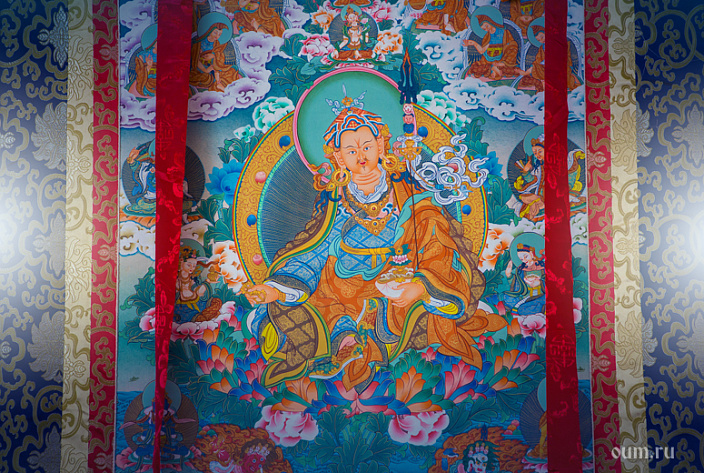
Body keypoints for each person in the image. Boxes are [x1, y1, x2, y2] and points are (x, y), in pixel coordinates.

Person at [243, 98, 505, 391]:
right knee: (312, 302)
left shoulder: (407, 192)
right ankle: (346, 341)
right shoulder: (336, 199)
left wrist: (420, 286)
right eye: (351, 150)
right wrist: (276, 288)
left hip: (395, 279)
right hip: (342, 284)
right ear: (338, 157)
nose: (361, 155)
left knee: (413, 302)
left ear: (381, 146)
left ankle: (360, 337)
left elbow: (434, 241)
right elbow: (316, 250)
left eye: (367, 146)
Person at [464, 14, 519, 81]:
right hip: (488, 62)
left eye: (487, 26)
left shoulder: (505, 33)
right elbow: (482, 51)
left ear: (491, 22)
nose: (487, 29)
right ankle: (494, 68)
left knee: (512, 68)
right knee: (477, 69)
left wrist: (503, 63)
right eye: (484, 29)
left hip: (503, 60)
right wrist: (473, 43)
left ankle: (496, 68)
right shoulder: (487, 37)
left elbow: (512, 46)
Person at [190, 21, 240, 93]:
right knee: (206, 78)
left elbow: (220, 56)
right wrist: (206, 70)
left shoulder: (217, 43)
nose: (217, 36)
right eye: (215, 33)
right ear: (210, 31)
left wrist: (214, 55)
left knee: (231, 71)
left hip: (215, 66)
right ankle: (218, 84)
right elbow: (195, 60)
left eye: (219, 34)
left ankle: (219, 84)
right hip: (202, 67)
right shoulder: (199, 43)